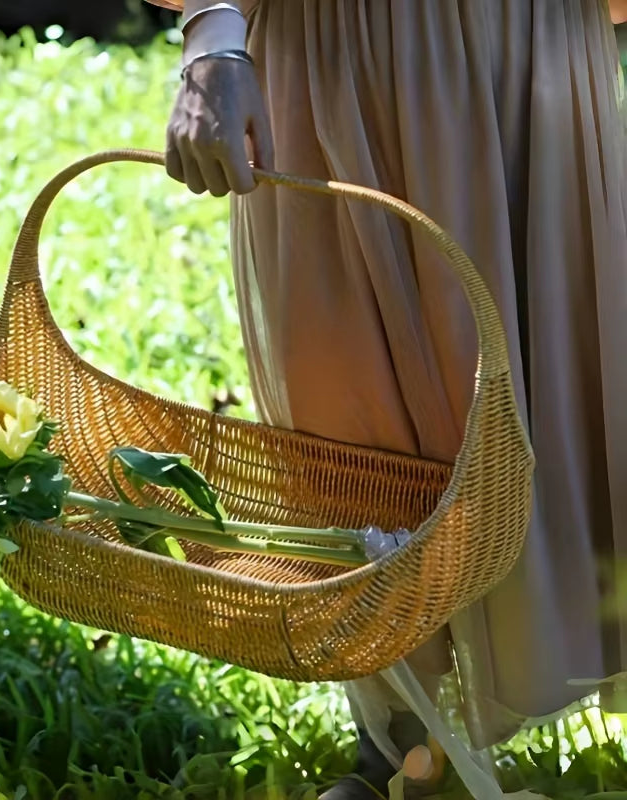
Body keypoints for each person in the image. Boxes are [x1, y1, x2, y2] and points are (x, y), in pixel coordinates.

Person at [147, 0, 627, 797]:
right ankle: (402, 737)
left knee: (568, 367)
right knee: (355, 398)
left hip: (529, 34)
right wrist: (213, 30)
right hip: (336, 49)